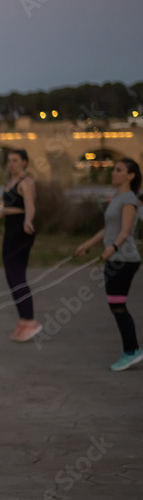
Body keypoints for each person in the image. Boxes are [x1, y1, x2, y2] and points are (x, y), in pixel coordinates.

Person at [75, 158, 142, 371]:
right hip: (116, 258)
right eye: (114, 169)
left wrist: (113, 247)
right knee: (116, 305)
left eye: (119, 170)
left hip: (124, 259)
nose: (114, 173)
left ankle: (131, 351)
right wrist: (87, 244)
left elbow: (126, 230)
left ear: (130, 176)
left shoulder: (129, 198)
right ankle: (132, 350)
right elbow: (108, 228)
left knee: (118, 306)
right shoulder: (118, 197)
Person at [0, 149, 42, 341]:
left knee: (17, 276)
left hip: (21, 230)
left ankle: (30, 321)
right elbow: (2, 211)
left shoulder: (26, 183)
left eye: (15, 160)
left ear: (24, 162)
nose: (10, 164)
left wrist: (28, 221)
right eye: (9, 160)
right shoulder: (9, 184)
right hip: (10, 230)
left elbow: (30, 206)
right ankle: (23, 320)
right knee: (11, 277)